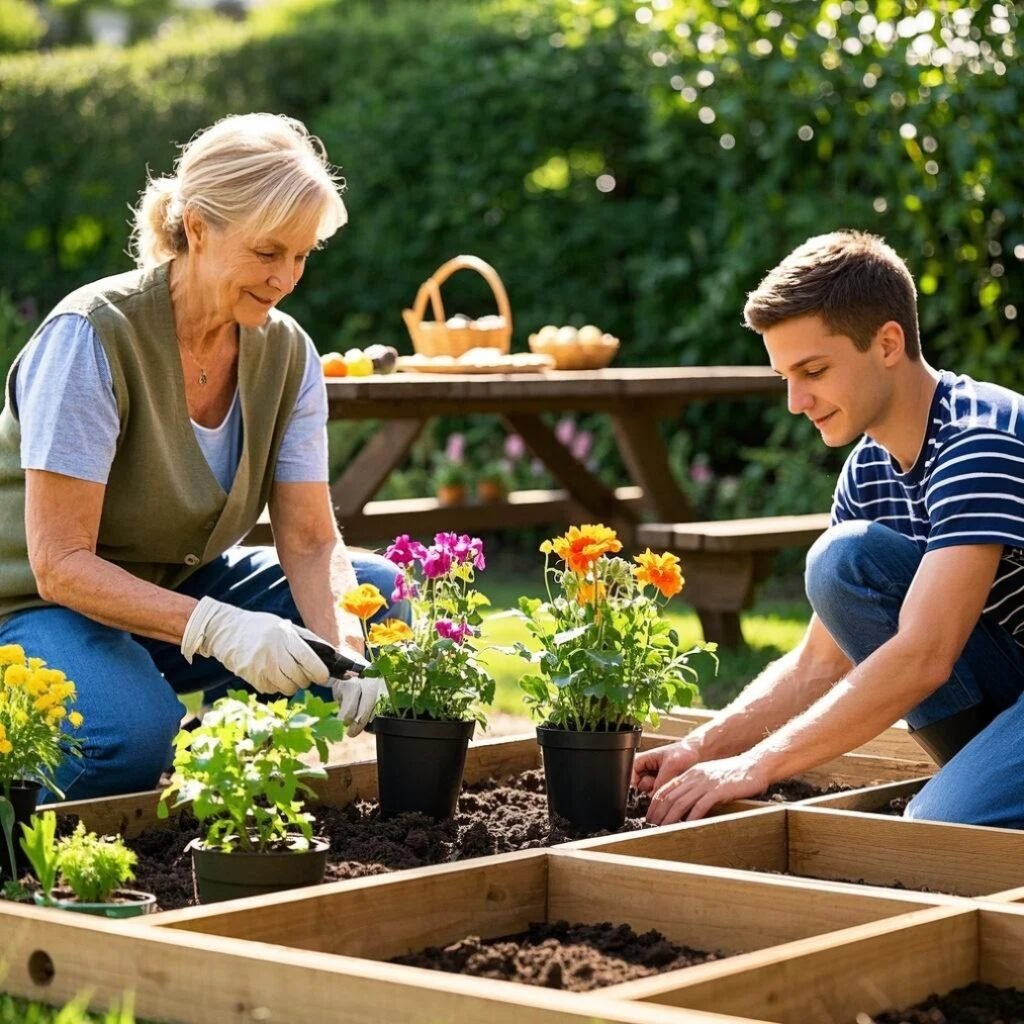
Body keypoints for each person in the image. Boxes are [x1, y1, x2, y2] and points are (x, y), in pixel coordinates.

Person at [0, 112, 403, 800]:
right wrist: (219, 628)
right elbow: (60, 565)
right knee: (121, 737)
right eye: (268, 252)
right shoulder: (91, 337)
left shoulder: (286, 352)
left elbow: (308, 538)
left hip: (168, 591)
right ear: (196, 230)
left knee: (377, 599)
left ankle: (227, 794)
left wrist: (349, 654)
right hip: (33, 606)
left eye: (302, 256)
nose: (286, 278)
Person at [634, 230, 1024, 830]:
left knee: (939, 829)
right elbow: (819, 663)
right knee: (843, 561)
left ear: (888, 343)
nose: (795, 401)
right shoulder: (869, 470)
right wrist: (703, 747)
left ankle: (974, 795)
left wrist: (759, 763)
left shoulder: (977, 443)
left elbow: (925, 656)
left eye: (813, 370)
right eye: (785, 375)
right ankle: (982, 778)